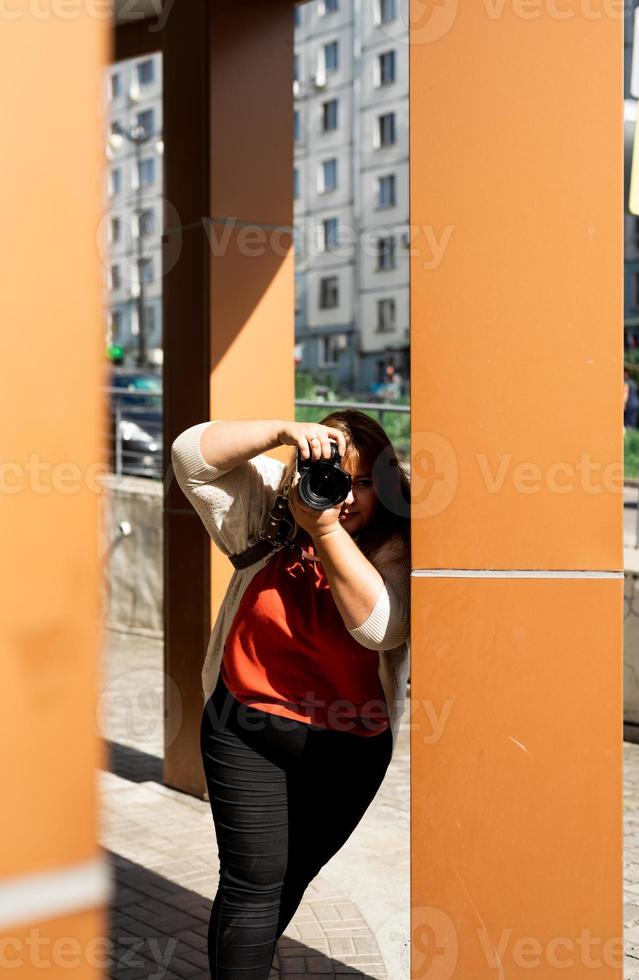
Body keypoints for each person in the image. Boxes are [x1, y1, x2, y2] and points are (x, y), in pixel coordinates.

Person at [170, 409, 411, 980]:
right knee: (251, 886)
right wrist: (283, 433)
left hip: (349, 751)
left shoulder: (398, 545)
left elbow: (379, 627)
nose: (343, 497)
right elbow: (189, 457)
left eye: (359, 484)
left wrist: (325, 532)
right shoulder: (272, 509)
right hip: (244, 729)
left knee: (285, 881)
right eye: (331, 477)